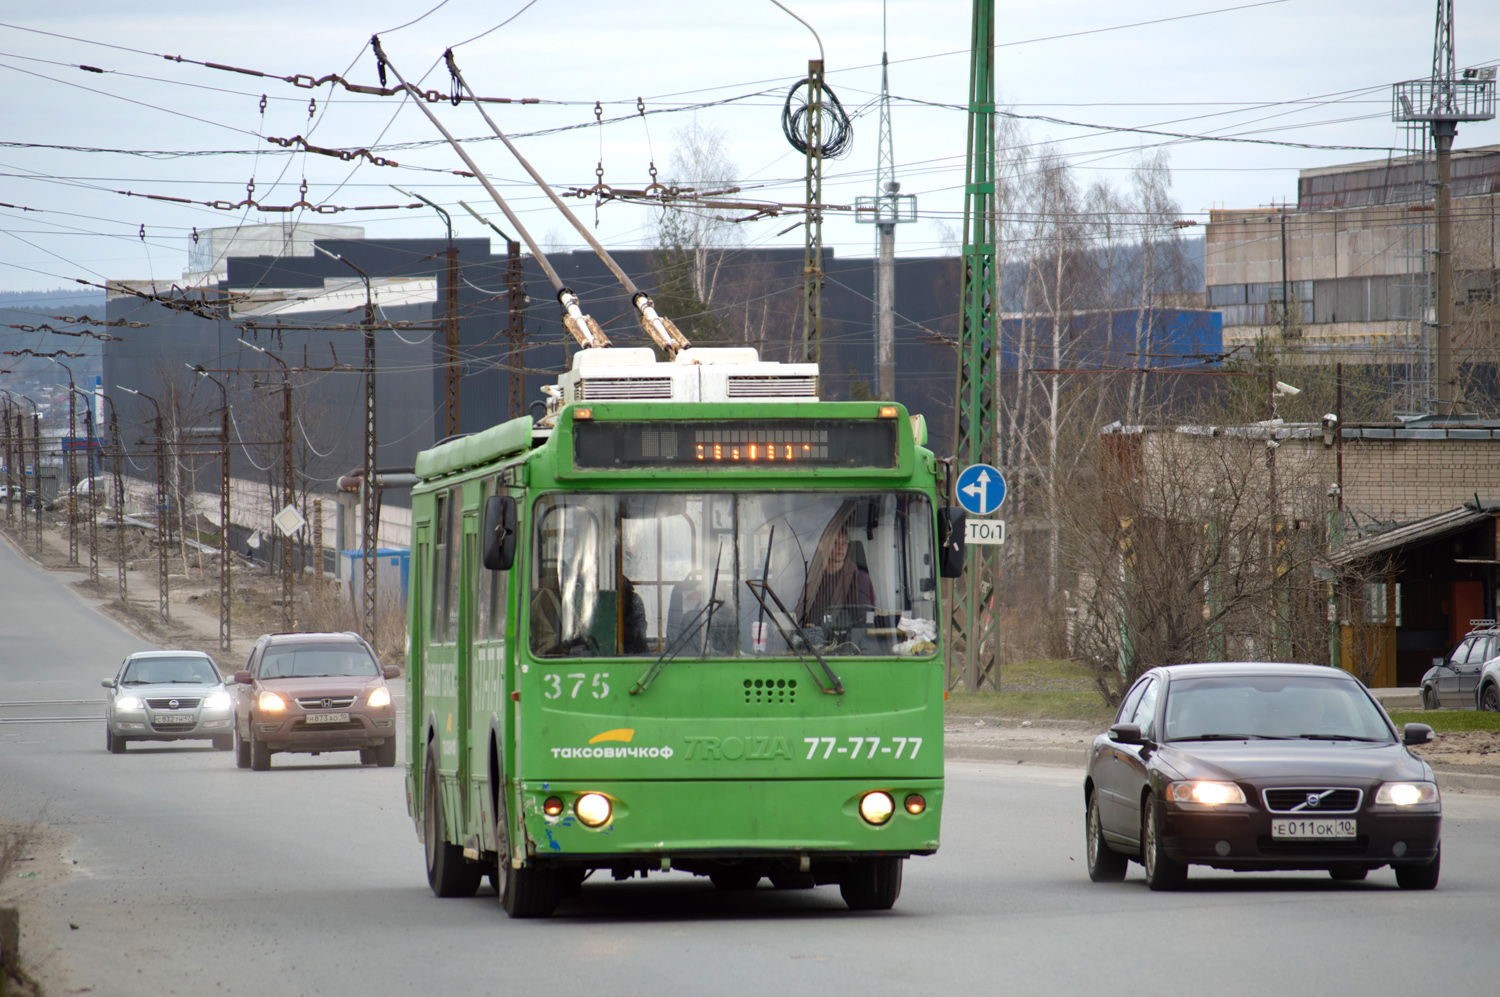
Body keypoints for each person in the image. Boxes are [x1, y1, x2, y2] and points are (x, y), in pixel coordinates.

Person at [798, 532, 875, 633]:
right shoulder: (811, 580)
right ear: (821, 545)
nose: (840, 547)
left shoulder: (859, 578)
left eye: (844, 542)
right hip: (813, 641)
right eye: (835, 542)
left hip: (848, 642)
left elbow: (865, 620)